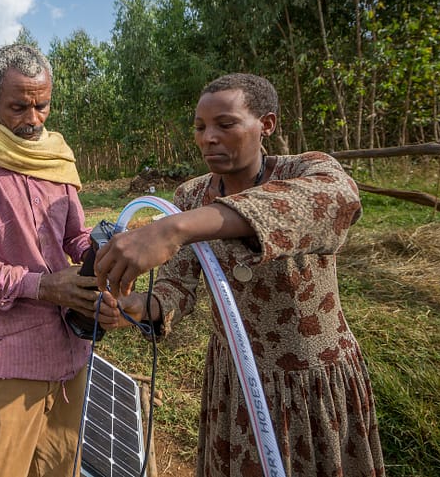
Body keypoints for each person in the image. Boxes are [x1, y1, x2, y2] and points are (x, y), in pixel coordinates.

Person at [95, 73, 384, 476]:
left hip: (309, 378)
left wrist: (177, 228)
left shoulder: (305, 170)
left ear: (266, 124)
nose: (208, 138)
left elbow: (337, 198)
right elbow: (177, 283)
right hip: (235, 379)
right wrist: (141, 306)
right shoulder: (191, 196)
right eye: (200, 127)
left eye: (225, 124)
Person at [0, 43, 99, 477]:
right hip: (13, 354)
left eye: (42, 106)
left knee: (59, 466)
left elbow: (75, 236)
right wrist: (43, 286)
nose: (33, 120)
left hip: (70, 349)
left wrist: (103, 253)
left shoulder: (56, 158)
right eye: (18, 107)